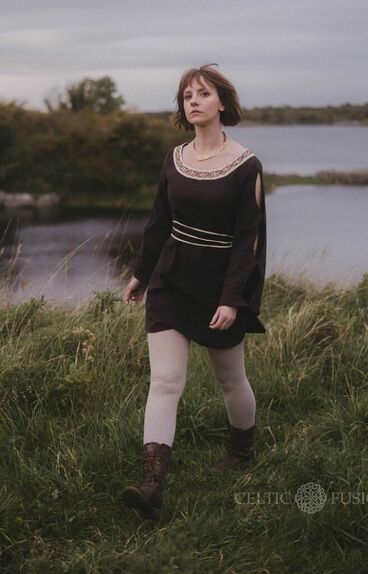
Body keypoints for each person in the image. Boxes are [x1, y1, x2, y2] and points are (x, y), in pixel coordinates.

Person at [120, 63, 267, 521]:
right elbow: (158, 221)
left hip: (219, 287)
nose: (194, 101)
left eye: (203, 94)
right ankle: (152, 484)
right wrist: (142, 274)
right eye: (187, 96)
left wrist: (232, 298)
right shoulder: (175, 158)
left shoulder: (246, 165)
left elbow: (248, 241)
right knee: (165, 382)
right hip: (171, 281)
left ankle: (241, 451)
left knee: (230, 380)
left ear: (222, 103)